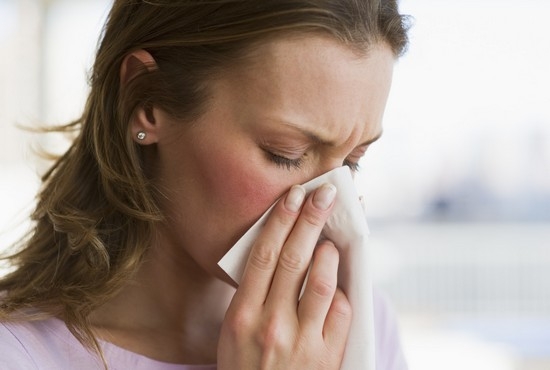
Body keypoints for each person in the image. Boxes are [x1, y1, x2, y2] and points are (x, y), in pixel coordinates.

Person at [0, 0, 410, 369]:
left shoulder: (358, 325)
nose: (330, 205)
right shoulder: (18, 353)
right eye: (285, 152)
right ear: (146, 101)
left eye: (353, 161)